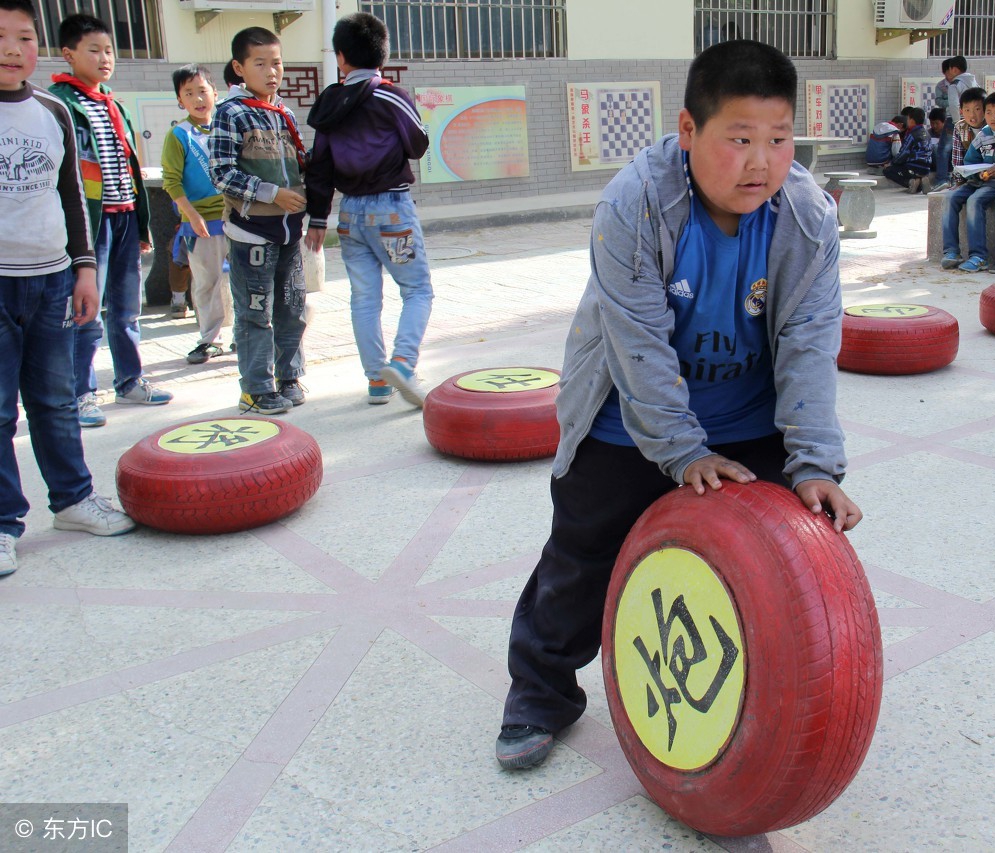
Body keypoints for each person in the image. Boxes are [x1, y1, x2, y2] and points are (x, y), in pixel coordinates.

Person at [495, 39, 862, 771]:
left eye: (780, 139)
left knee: (780, 566)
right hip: (629, 416)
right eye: (740, 139)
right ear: (689, 131)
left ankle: (756, 712)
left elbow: (810, 343)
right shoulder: (636, 203)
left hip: (750, 420)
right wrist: (682, 452)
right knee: (581, 555)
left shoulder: (808, 216)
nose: (761, 161)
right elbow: (638, 346)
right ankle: (541, 690)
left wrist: (816, 461)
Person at [0, 0, 136, 576]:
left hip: (53, 279)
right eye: (1, 37)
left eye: (24, 36)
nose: (12, 49)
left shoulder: (54, 112)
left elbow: (72, 197)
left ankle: (74, 500)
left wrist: (84, 267)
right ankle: (5, 523)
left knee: (55, 401)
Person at [50, 13, 172, 429]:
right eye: (93, 51)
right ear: (68, 54)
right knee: (86, 310)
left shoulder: (115, 105)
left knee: (127, 308)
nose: (105, 59)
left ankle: (130, 381)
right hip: (89, 224)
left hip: (123, 220)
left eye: (109, 51)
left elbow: (131, 168)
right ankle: (81, 393)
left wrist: (140, 228)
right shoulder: (60, 103)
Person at [305, 14, 434, 407]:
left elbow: (320, 164)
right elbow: (418, 144)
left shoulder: (328, 103)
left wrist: (317, 218)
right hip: (392, 212)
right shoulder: (390, 95)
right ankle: (403, 363)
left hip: (350, 217)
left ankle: (377, 381)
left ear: (340, 56)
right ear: (383, 54)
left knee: (364, 299)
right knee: (417, 290)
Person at [209, 26, 309, 414]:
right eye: (260, 63)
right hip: (252, 232)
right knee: (255, 311)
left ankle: (288, 377)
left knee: (291, 307)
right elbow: (221, 172)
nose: (272, 72)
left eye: (277, 63)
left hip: (289, 230)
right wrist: (272, 194)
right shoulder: (230, 112)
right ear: (239, 67)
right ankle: (255, 388)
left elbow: (298, 166)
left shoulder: (283, 112)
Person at [162, 64, 231, 365]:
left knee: (246, 281)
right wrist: (191, 215)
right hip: (202, 223)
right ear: (180, 100)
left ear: (215, 93)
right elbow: (171, 181)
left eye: (202, 90)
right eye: (189, 93)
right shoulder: (178, 135)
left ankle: (246, 335)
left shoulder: (227, 127)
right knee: (206, 283)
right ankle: (210, 339)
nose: (197, 98)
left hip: (238, 217)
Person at [942, 91, 995, 273]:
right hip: (978, 181)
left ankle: (979, 256)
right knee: (950, 198)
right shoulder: (982, 135)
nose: (992, 117)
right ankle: (951, 251)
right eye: (989, 112)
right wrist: (977, 174)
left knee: (975, 201)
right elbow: (969, 162)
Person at [933, 55, 977, 190]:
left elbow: (953, 105)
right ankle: (967, 178)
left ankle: (943, 180)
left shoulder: (955, 84)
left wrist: (958, 122)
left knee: (945, 150)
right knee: (968, 149)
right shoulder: (974, 82)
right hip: (974, 121)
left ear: (954, 69)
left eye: (950, 69)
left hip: (955, 120)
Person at [883, 106, 933, 193]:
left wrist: (891, 163)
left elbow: (903, 154)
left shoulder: (911, 135)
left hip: (913, 167)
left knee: (888, 171)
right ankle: (922, 180)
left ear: (912, 121)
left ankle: (911, 182)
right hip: (926, 168)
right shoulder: (927, 133)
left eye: (908, 119)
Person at [945, 86, 987, 190]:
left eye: (977, 109)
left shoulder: (992, 126)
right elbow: (957, 158)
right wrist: (959, 181)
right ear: (961, 111)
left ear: (986, 109)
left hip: (990, 174)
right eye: (967, 110)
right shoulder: (960, 127)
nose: (972, 115)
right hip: (970, 176)